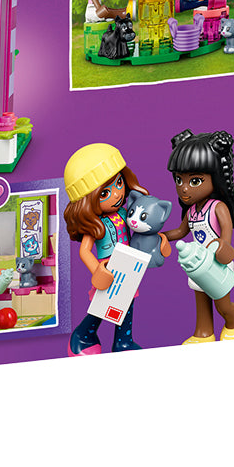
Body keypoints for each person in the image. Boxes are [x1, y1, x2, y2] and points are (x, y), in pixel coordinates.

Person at [63, 144, 168, 354]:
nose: (117, 194)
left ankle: (123, 341)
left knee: (126, 302)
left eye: (119, 182)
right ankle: (83, 335)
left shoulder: (125, 212)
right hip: (109, 269)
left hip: (129, 265)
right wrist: (97, 270)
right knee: (104, 305)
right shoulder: (95, 223)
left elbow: (143, 231)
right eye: (105, 193)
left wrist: (159, 241)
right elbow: (84, 251)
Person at [161, 129, 234, 342]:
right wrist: (161, 236)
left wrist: (223, 247)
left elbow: (226, 234)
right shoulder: (192, 211)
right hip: (197, 263)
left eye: (194, 181)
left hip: (218, 263)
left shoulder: (218, 207)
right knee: (201, 301)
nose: (184, 189)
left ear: (215, 178)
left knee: (222, 304)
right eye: (179, 180)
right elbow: (181, 231)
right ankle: (204, 333)